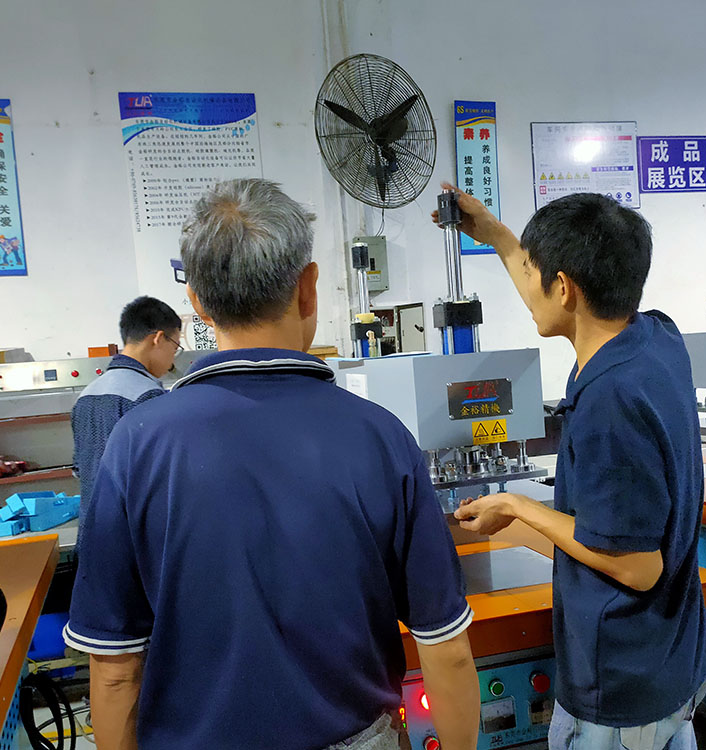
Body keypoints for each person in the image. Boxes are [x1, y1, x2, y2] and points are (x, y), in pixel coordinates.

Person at [64, 178, 480, 750]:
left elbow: (114, 670)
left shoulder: (136, 444)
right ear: (310, 288)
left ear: (199, 303)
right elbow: (447, 649)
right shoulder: (379, 436)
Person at [437, 187, 706, 750]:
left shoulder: (610, 400)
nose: (530, 285)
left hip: (620, 686)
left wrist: (517, 506)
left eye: (536, 273)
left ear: (563, 287)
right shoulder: (655, 337)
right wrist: (493, 233)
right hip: (674, 658)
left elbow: (638, 567)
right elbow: (557, 301)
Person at [71, 295, 182, 525]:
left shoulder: (86, 396)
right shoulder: (149, 396)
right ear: (159, 339)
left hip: (93, 534)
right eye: (175, 346)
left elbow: (81, 469)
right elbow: (161, 482)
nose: (173, 359)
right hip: (134, 541)